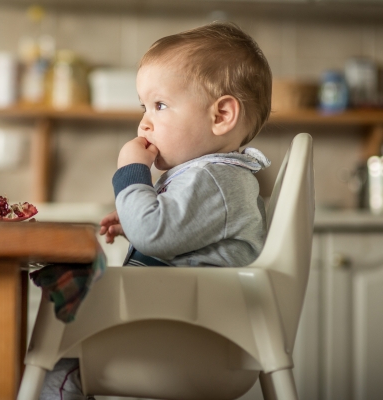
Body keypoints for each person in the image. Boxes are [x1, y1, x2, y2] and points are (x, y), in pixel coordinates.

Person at [39, 21, 273, 399]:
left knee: (54, 359)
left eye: (160, 105)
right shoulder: (214, 178)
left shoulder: (212, 177)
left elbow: (155, 234)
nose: (144, 122)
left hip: (192, 342)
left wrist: (131, 175)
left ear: (221, 116)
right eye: (143, 106)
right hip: (190, 331)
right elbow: (174, 236)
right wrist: (139, 222)